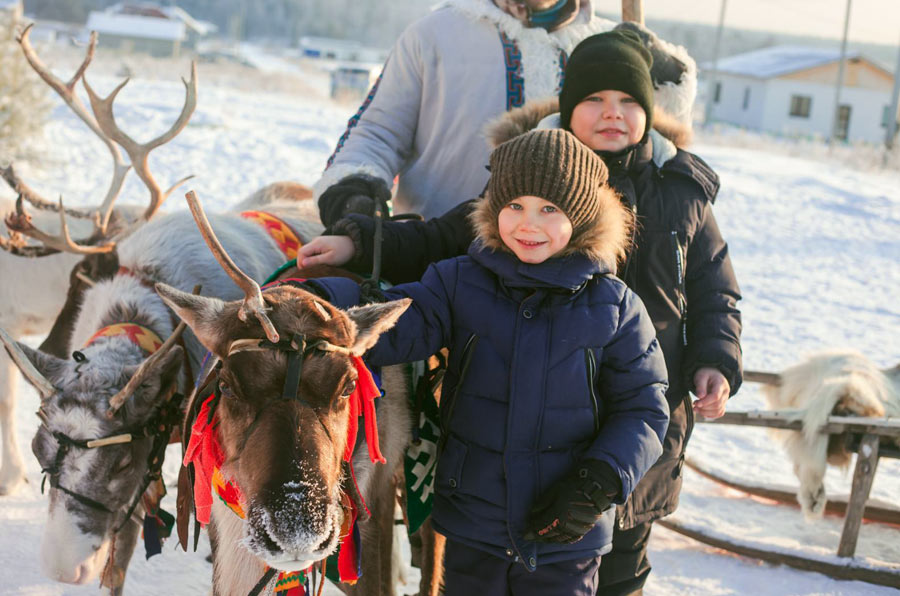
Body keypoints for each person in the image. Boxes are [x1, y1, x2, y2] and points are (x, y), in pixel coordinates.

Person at [301, 30, 742, 595]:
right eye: (594, 100)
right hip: (493, 477)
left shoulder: (680, 192)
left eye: (629, 101)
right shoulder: (511, 199)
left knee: (618, 564)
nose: (613, 114)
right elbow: (436, 242)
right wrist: (357, 246)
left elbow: (714, 293)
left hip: (634, 432)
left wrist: (717, 360)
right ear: (565, 107)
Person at [307, 128, 670, 595]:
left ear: (579, 218)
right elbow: (398, 320)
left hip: (566, 532)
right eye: (514, 206)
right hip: (473, 527)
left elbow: (644, 407)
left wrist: (599, 481)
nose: (528, 224)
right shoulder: (459, 282)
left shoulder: (614, 306)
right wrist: (321, 308)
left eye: (549, 209)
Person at [314, 0, 695, 224]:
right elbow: (377, 132)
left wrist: (663, 74)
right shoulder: (435, 34)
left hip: (570, 288)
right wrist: (354, 188)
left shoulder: (612, 48)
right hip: (434, 265)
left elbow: (653, 145)